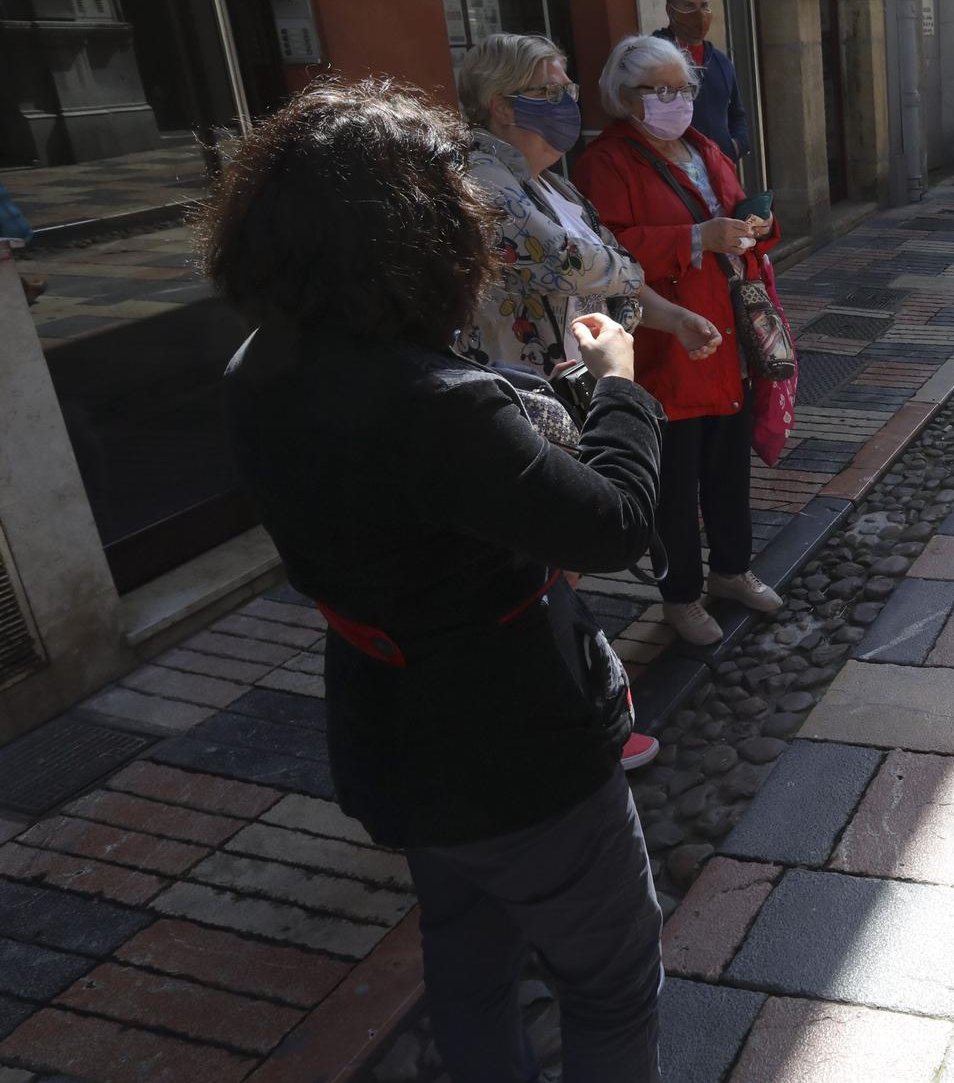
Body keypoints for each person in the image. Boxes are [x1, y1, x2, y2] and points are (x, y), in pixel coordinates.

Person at [204, 79, 667, 1080]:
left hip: (390, 729)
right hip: (516, 747)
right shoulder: (437, 405)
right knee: (611, 984)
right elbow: (614, 524)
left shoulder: (258, 366)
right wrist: (621, 389)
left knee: (467, 962)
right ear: (412, 233)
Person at [576, 35, 783, 646]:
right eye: (660, 90)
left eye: (684, 90)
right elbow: (607, 250)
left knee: (727, 465)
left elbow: (735, 218)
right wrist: (696, 238)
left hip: (727, 337)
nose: (676, 101)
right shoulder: (607, 163)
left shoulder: (704, 146)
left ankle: (731, 570)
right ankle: (680, 595)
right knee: (674, 480)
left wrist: (759, 225)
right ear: (624, 96)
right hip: (668, 341)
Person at [455, 33, 720, 380]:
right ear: (502, 106)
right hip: (525, 398)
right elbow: (564, 260)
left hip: (579, 391)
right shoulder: (481, 175)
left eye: (569, 90)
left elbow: (610, 263)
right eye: (550, 92)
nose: (566, 104)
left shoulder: (553, 183)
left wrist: (674, 318)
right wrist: (631, 269)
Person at [653, 0, 750, 165]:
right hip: (677, 173)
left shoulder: (721, 62)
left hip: (722, 172)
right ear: (670, 11)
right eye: (689, 6)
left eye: (704, 6)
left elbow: (737, 114)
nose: (700, 14)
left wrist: (736, 146)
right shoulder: (654, 59)